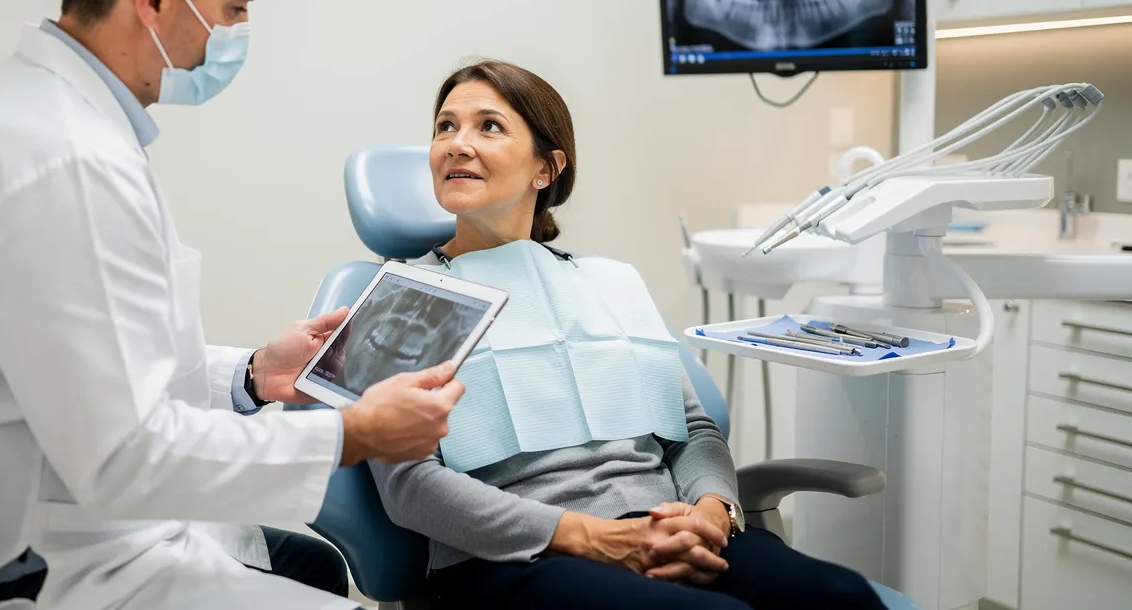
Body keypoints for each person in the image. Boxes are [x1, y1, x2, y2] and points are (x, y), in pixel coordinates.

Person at [0, 0, 464, 608]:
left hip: (96, 521)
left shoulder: (56, 121)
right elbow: (125, 455)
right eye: (235, 8)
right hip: (52, 568)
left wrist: (249, 374)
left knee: (310, 572)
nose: (239, 32)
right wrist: (355, 432)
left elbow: (106, 368)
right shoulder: (63, 163)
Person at [369, 59, 889, 610]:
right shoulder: (405, 299)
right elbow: (409, 486)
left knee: (842, 596)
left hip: (666, 529)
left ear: (546, 168)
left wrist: (712, 513)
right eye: (444, 127)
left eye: (488, 126)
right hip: (515, 560)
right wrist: (593, 538)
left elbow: (690, 429)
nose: (457, 143)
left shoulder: (606, 282)